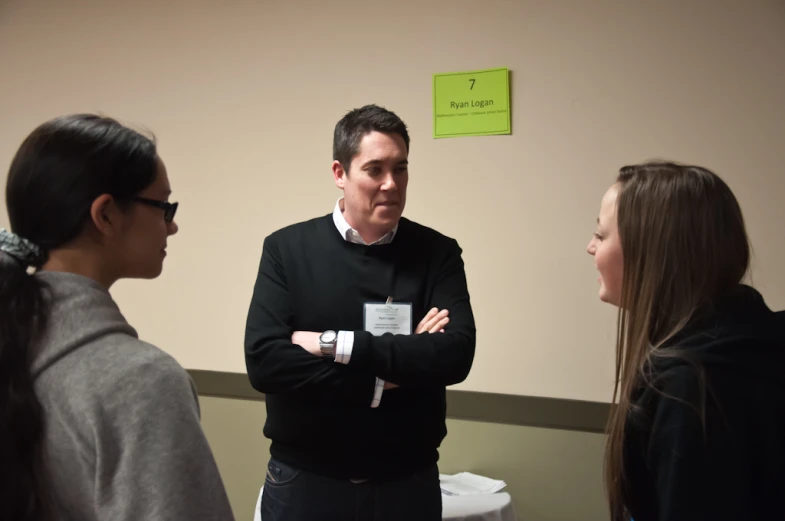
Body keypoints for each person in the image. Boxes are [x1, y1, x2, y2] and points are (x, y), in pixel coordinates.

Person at [244, 104, 476, 520]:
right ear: (340, 173)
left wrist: (331, 344)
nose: (391, 184)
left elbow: (455, 355)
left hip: (407, 482)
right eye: (375, 170)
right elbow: (266, 363)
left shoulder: (437, 253)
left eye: (401, 169)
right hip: (306, 482)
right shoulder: (286, 250)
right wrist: (386, 376)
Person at [0, 114, 235, 521]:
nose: (172, 225)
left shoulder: (17, 343)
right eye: (164, 207)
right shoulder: (141, 381)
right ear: (105, 214)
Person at [586, 161, 785, 521]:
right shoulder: (751, 340)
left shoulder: (690, 386)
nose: (590, 247)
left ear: (651, 253)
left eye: (601, 235)